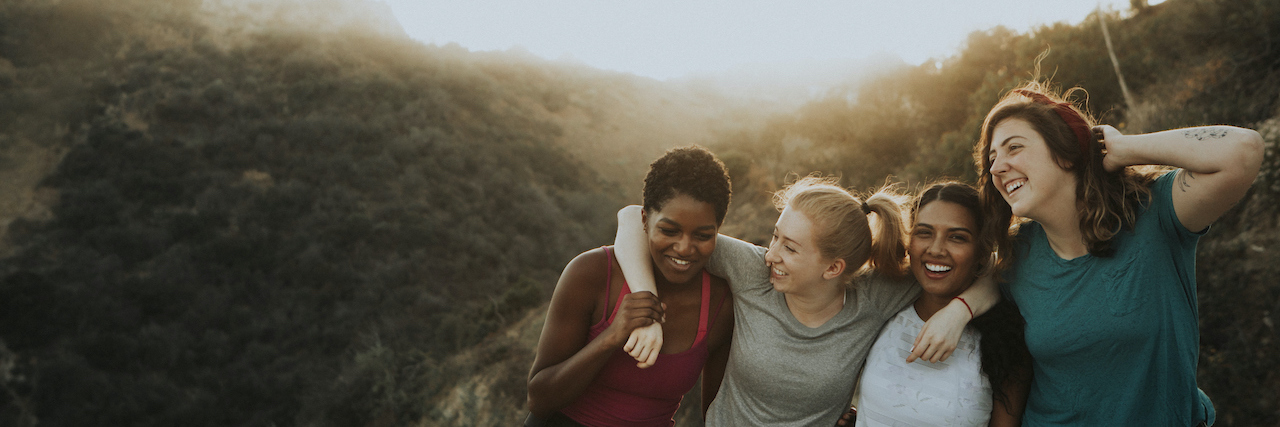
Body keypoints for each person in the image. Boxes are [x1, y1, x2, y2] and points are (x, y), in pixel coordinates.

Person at [975, 81, 1264, 426]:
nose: (997, 168)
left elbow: (1244, 150)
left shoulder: (1155, 213)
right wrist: (957, 311)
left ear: (1066, 151)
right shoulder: (1016, 254)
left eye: (1014, 147)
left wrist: (1122, 148)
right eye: (992, 158)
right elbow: (978, 284)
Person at [615, 176, 999, 426]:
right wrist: (648, 309)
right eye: (775, 236)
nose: (771, 254)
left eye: (790, 247)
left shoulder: (873, 298)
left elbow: (996, 271)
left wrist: (958, 312)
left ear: (833, 268)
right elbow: (635, 217)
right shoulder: (755, 272)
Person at [525, 146, 735, 427]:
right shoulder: (593, 273)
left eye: (703, 235)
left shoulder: (721, 306)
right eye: (669, 230)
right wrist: (612, 336)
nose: (684, 248)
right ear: (645, 221)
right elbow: (539, 399)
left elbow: (714, 415)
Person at [852, 182, 1032, 426]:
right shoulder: (881, 309)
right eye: (924, 233)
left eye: (957, 237)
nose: (936, 249)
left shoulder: (1006, 339)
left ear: (982, 251)